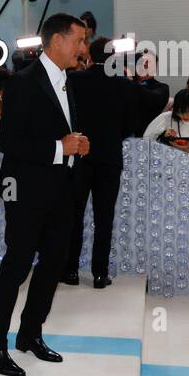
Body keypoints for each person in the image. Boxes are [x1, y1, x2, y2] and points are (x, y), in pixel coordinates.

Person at [0, 13, 90, 376]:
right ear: (57, 40)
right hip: (25, 191)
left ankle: (30, 334)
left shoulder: (68, 82)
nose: (82, 48)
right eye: (79, 41)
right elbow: (8, 142)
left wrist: (76, 146)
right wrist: (61, 148)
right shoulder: (22, 82)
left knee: (54, 264)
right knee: (17, 266)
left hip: (61, 191)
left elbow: (60, 132)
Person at [63, 38, 137, 287]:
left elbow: (67, 117)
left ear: (89, 57)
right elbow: (130, 124)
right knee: (104, 217)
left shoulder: (73, 80)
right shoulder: (124, 85)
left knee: (74, 214)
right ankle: (99, 274)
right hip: (109, 158)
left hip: (79, 156)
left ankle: (70, 271)